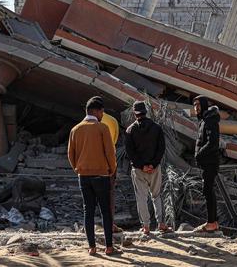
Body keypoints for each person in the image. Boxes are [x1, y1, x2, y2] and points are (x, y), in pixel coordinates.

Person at [67, 96, 121, 256]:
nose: (102, 114)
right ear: (96, 111)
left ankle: (92, 247)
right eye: (102, 112)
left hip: (83, 175)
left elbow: (70, 154)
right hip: (101, 174)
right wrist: (112, 169)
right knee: (105, 210)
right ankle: (109, 247)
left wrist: (77, 168)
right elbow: (110, 153)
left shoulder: (75, 129)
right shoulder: (102, 128)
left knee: (88, 211)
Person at [125, 100, 171, 234]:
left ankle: (145, 227)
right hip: (155, 168)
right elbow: (161, 148)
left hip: (139, 170)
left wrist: (142, 166)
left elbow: (130, 152)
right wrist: (154, 164)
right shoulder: (156, 128)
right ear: (146, 111)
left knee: (141, 198)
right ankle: (161, 223)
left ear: (134, 114)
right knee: (157, 196)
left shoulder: (130, 130)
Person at [192, 95, 221, 233]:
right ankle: (213, 221)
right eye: (194, 105)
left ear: (203, 105)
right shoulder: (204, 120)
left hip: (210, 162)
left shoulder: (210, 120)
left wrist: (199, 154)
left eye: (198, 105)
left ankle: (211, 223)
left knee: (208, 191)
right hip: (206, 162)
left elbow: (212, 142)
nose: (196, 108)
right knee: (208, 191)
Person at [99, 105, 123, 234]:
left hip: (94, 162)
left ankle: (92, 228)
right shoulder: (112, 121)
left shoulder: (86, 123)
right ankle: (111, 224)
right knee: (110, 195)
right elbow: (114, 141)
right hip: (109, 161)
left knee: (92, 197)